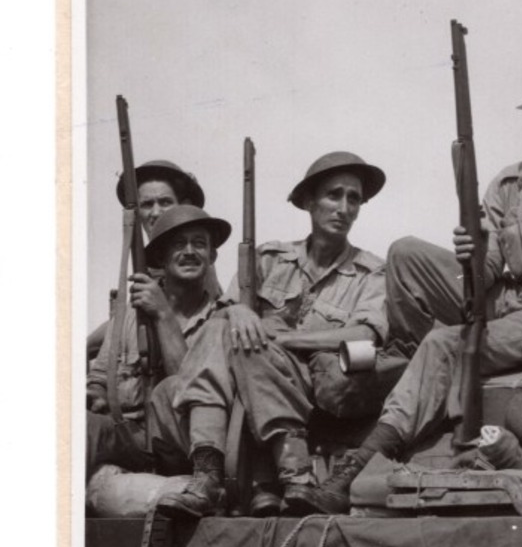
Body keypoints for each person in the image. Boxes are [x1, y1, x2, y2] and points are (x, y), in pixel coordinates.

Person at [289, 71, 522, 515]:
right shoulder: (510, 184)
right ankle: (425, 363)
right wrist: (469, 255)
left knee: (443, 343)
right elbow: (488, 271)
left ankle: (362, 462)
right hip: (511, 301)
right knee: (405, 253)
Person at [158, 152, 388, 518]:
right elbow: (223, 311)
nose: (344, 207)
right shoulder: (269, 258)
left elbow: (365, 334)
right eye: (333, 195)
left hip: (316, 388)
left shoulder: (371, 271)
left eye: (354, 198)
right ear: (309, 202)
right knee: (225, 328)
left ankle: (262, 474)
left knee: (250, 345)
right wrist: (238, 310)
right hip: (251, 385)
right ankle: (213, 471)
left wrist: (284, 338)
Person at [86, 204, 231, 478]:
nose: (189, 251)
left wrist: (162, 313)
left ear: (211, 256)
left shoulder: (220, 321)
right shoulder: (129, 317)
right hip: (132, 436)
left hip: (183, 446)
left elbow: (187, 387)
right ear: (162, 258)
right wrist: (97, 396)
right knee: (82, 427)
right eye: (179, 245)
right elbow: (99, 377)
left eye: (199, 244)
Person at [89, 159, 213, 363]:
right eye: (147, 204)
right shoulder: (146, 261)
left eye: (165, 202)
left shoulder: (192, 261)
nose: (156, 213)